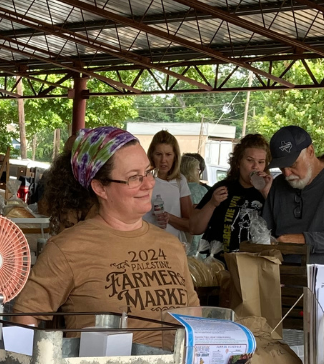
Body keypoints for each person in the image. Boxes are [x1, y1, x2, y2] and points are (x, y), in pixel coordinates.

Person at [15, 127, 198, 329]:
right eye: (134, 177)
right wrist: (41, 359)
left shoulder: (171, 245)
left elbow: (194, 317)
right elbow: (25, 316)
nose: (148, 184)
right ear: (100, 188)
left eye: (148, 172)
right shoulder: (68, 248)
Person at [260, 126, 324, 264]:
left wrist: (303, 239)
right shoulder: (278, 184)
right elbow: (265, 232)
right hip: (284, 278)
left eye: (293, 164)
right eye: (282, 168)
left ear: (310, 151)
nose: (287, 173)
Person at [189, 133, 272, 250]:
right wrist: (212, 204)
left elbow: (281, 231)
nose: (255, 166)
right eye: (250, 160)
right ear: (238, 162)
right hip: (220, 263)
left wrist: (266, 193)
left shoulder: (269, 191)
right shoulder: (223, 188)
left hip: (255, 264)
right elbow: (194, 228)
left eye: (261, 162)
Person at [141, 130, 194, 242]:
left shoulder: (180, 181)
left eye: (168, 154)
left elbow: (190, 224)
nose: (163, 160)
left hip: (172, 246)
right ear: (151, 155)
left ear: (175, 156)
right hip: (145, 244)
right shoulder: (142, 179)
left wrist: (169, 218)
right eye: (159, 154)